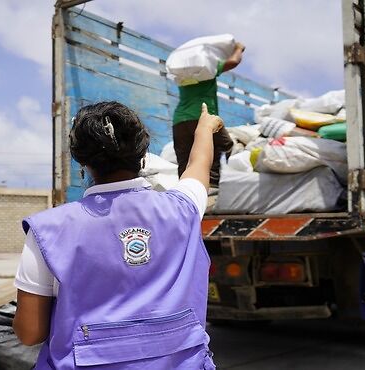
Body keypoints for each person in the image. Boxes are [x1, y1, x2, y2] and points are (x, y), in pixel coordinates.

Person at [12, 101, 222, 369]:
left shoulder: (47, 230)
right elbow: (198, 165)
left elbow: (29, 333)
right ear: (143, 152)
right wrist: (204, 129)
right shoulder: (184, 208)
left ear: (81, 161)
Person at [173, 41, 245, 185]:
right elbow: (233, 61)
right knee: (226, 144)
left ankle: (184, 191)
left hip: (179, 121)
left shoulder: (181, 74)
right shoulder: (205, 68)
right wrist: (238, 49)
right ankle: (212, 184)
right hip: (203, 116)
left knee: (184, 158)